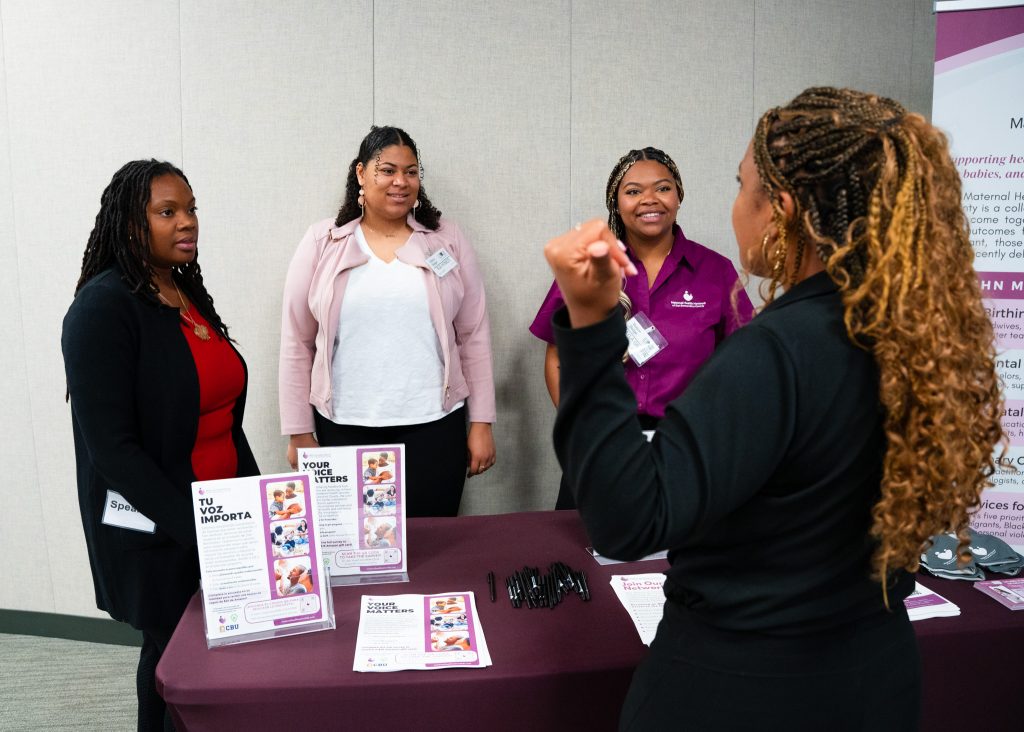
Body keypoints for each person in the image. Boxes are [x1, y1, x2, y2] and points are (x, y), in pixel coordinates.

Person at [542, 88, 1004, 730]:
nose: (736, 207)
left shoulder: (774, 353)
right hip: (874, 677)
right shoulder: (911, 334)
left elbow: (626, 522)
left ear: (780, 209)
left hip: (746, 688)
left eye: (742, 186)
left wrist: (592, 324)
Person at [62, 159, 259, 731]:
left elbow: (223, 417)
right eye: (167, 212)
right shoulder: (102, 310)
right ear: (129, 224)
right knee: (184, 669)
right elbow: (113, 450)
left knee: (172, 665)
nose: (187, 223)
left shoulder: (181, 291)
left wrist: (255, 504)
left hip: (218, 516)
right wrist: (198, 530)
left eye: (191, 209)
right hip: (157, 531)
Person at [280, 125, 496, 517]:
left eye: (411, 172)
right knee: (353, 554)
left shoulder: (445, 239)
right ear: (361, 173)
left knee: (432, 550)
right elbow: (297, 341)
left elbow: (473, 333)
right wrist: (299, 430)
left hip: (434, 425)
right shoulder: (323, 241)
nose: (401, 181)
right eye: (388, 170)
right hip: (344, 427)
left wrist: (481, 421)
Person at [531, 147, 753, 509]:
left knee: (675, 555)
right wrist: (580, 426)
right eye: (633, 191)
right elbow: (557, 353)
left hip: (684, 446)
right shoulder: (589, 266)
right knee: (586, 551)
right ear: (616, 203)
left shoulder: (716, 271)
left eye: (663, 188)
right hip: (602, 443)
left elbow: (742, 362)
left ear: (679, 196)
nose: (649, 199)